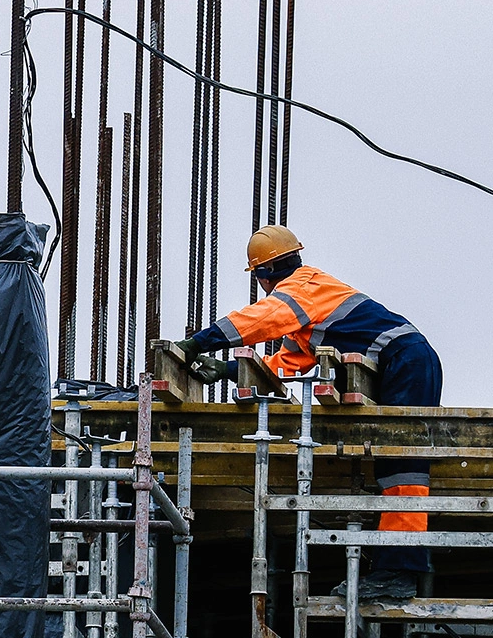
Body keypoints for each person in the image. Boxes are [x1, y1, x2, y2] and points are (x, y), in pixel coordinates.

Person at [177, 224, 442, 599]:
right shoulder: (309, 307)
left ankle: (400, 571)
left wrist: (197, 342)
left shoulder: (302, 289)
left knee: (401, 467)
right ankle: (396, 567)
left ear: (263, 276)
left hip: (406, 361)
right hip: (405, 360)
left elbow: (257, 320)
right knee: (393, 466)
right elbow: (287, 363)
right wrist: (228, 370)